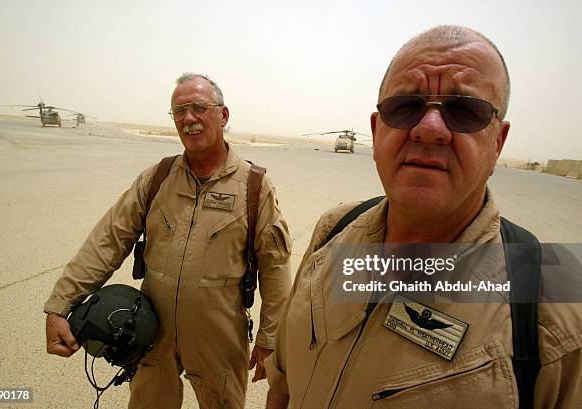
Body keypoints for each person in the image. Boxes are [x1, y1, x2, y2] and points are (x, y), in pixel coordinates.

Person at [265, 26, 582, 408]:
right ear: (376, 129)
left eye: (465, 111)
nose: (429, 129)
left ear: (498, 142)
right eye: (404, 108)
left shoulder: (553, 297)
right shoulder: (337, 229)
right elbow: (282, 382)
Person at [44, 73, 292, 409]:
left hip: (220, 332)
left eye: (198, 108)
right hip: (150, 329)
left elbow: (275, 267)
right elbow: (107, 240)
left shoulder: (254, 186)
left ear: (223, 115)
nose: (188, 118)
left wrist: (270, 337)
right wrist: (60, 305)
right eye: (179, 111)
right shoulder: (156, 178)